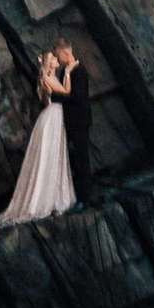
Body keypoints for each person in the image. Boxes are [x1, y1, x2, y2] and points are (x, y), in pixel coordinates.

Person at [0, 48, 76, 229]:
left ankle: (54, 196)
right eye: (53, 58)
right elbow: (66, 92)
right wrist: (68, 72)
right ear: (48, 63)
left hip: (53, 115)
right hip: (53, 116)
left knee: (53, 156)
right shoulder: (47, 77)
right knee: (50, 156)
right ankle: (46, 199)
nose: (56, 59)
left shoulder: (47, 76)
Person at [61, 43, 93, 208]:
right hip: (70, 122)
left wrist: (62, 93)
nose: (58, 59)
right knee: (74, 161)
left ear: (66, 53)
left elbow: (78, 96)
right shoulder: (65, 72)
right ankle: (77, 195)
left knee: (82, 160)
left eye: (59, 55)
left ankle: (84, 197)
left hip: (79, 121)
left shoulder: (79, 71)